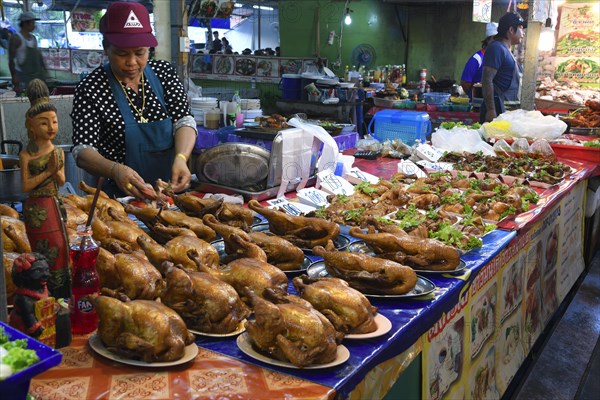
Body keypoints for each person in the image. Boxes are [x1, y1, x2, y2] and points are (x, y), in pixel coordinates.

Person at [71, 2, 197, 199]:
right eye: (122, 53)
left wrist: (181, 158)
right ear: (106, 48)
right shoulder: (91, 88)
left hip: (170, 194)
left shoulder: (163, 73)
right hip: (119, 198)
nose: (131, 62)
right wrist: (115, 170)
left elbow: (184, 120)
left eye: (140, 53)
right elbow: (83, 150)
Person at [19, 79, 71, 300]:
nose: (51, 128)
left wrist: (54, 170)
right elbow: (26, 186)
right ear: (31, 126)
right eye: (43, 123)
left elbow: (61, 181)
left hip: (54, 205)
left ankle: (62, 293)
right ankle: (43, 292)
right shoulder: (26, 155)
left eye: (54, 122)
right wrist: (48, 171)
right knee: (40, 251)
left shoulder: (57, 152)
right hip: (36, 209)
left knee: (61, 246)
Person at [480, 12, 527, 123]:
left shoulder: (507, 50)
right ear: (511, 30)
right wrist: (491, 110)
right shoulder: (496, 48)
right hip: (497, 110)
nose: (523, 33)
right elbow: (487, 80)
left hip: (506, 111)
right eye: (520, 28)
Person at [8, 11, 48, 94]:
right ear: (25, 24)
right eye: (32, 23)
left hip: (36, 77)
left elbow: (39, 57)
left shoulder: (33, 38)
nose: (34, 25)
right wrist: (14, 77)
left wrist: (45, 70)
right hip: (23, 77)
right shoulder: (16, 39)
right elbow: (11, 60)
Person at [460, 22, 497, 99]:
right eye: (495, 39)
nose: (497, 43)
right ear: (488, 39)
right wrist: (474, 95)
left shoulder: (496, 58)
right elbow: (465, 82)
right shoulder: (477, 59)